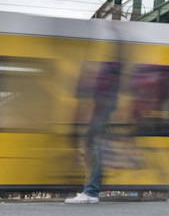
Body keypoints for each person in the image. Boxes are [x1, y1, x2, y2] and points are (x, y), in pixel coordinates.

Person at [66, 23, 124, 204]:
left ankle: (91, 192)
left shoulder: (111, 67)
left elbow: (98, 84)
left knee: (91, 145)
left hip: (102, 107)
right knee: (94, 145)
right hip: (103, 107)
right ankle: (91, 191)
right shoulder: (109, 67)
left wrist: (115, 35)